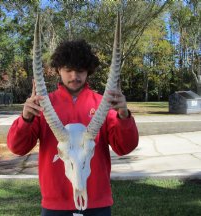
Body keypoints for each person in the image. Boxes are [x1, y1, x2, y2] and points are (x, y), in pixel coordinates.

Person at [7, 39, 139, 216]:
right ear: (58, 70)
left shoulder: (103, 104)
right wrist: (26, 118)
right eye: (68, 70)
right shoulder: (43, 105)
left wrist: (124, 115)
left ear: (88, 71)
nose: (74, 76)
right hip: (55, 204)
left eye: (80, 71)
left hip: (97, 203)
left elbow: (125, 147)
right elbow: (17, 147)